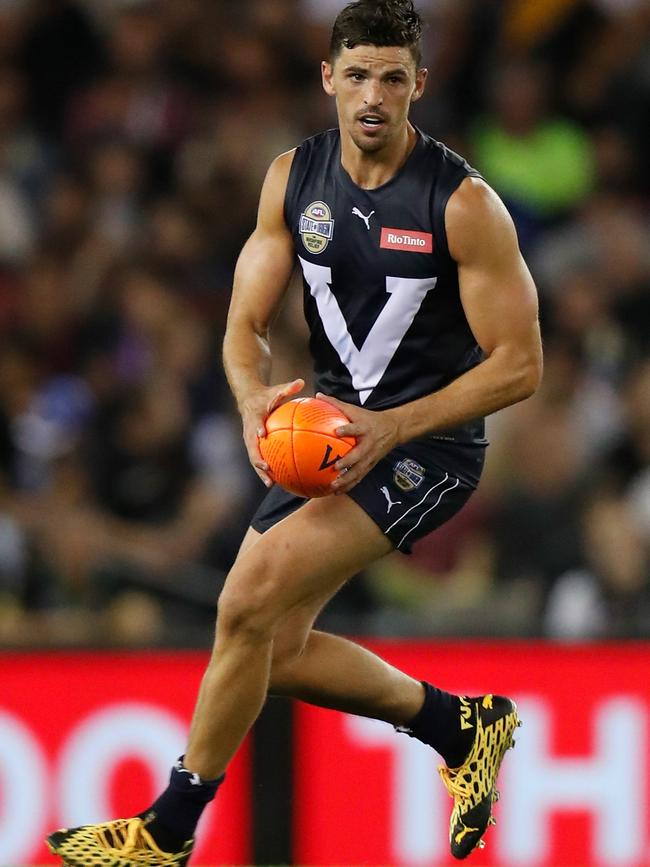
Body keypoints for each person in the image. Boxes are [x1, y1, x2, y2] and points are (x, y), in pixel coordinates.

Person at [47, 1, 542, 864]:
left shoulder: (464, 205)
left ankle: (165, 832)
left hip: (427, 447)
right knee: (270, 644)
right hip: (329, 435)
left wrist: (394, 427)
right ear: (328, 80)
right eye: (356, 75)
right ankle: (460, 726)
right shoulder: (293, 179)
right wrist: (248, 401)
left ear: (419, 84)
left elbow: (520, 366)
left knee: (240, 606)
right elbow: (243, 326)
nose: (374, 95)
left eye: (393, 76)